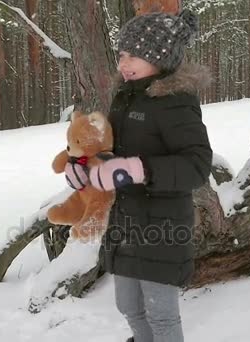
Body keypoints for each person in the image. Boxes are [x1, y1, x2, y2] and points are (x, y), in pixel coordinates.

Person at [65, 9, 212, 342]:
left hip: (163, 228)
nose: (123, 62)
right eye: (121, 54)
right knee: (128, 306)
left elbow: (197, 164)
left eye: (134, 55)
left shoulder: (176, 102)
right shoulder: (125, 98)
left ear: (161, 57)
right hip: (127, 225)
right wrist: (86, 168)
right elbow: (112, 152)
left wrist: (138, 169)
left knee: (161, 314)